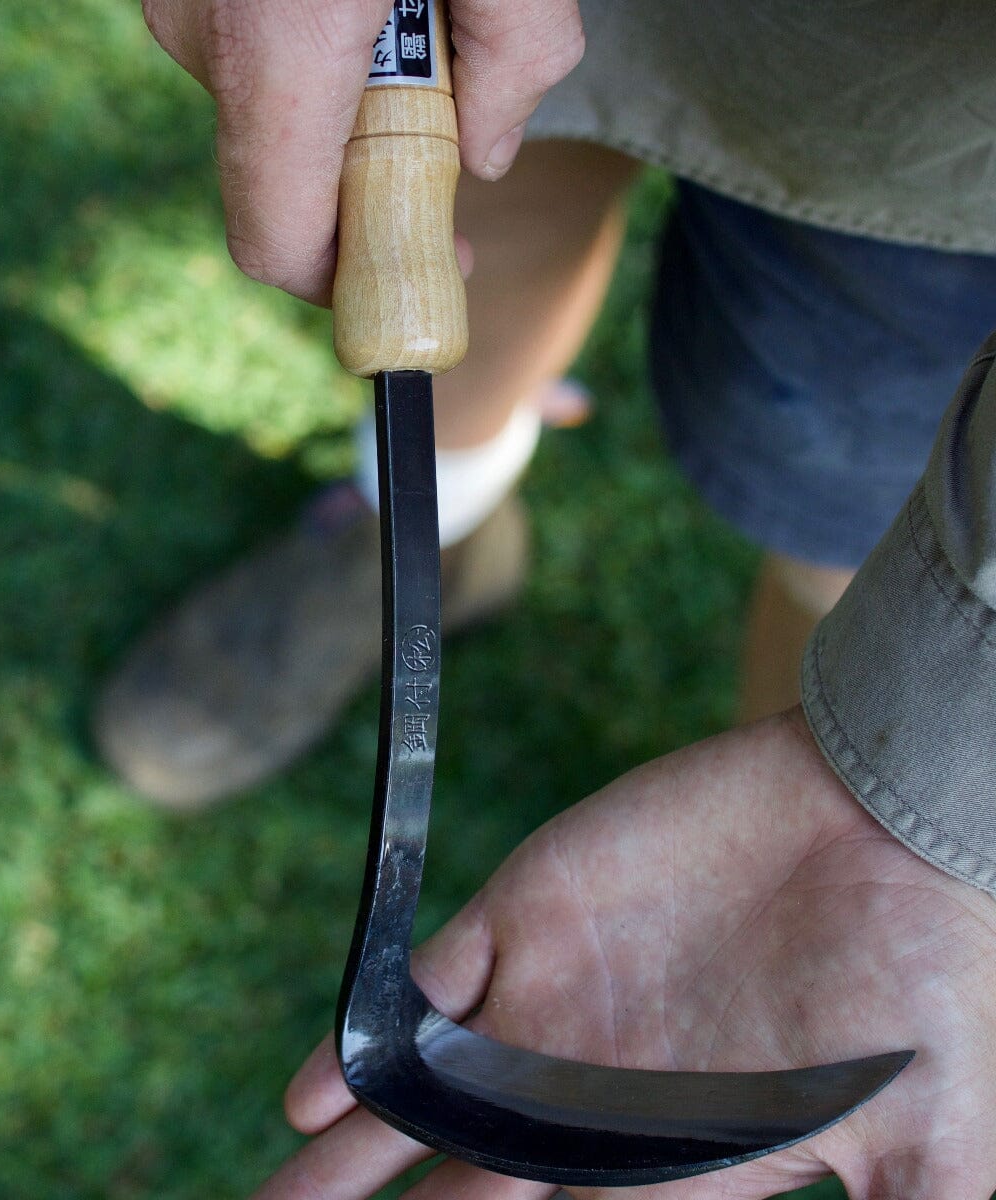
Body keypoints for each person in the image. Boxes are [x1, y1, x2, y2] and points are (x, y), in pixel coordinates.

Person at [103, 1, 996, 1195]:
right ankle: (428, 527)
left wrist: (926, 764)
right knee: (500, 163)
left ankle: (815, 789)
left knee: (841, 493)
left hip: (903, 83)